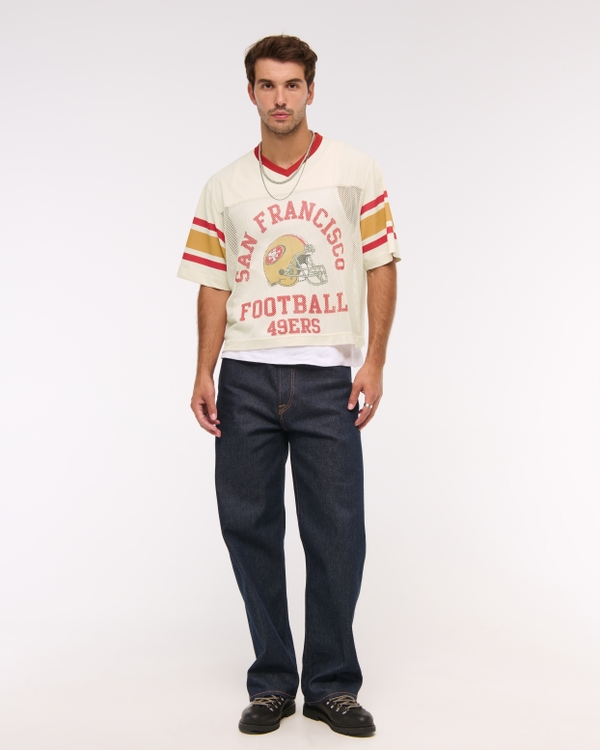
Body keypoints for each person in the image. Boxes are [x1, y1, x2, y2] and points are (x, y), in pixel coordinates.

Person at [177, 35, 399, 737]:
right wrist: (204, 369)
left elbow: (381, 265)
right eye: (267, 85)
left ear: (310, 90)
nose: (280, 98)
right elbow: (213, 284)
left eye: (292, 85)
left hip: (327, 377)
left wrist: (374, 361)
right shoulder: (224, 187)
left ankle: (331, 685)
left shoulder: (354, 170)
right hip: (245, 376)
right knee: (249, 528)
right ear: (251, 92)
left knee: (338, 533)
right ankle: (273, 682)